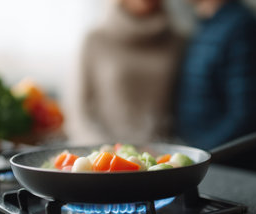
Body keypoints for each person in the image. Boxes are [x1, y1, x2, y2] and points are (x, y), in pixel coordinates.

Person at [175, 0, 256, 174]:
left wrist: (194, 157)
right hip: (208, 169)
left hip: (238, 176)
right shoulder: (205, 25)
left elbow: (247, 118)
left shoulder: (243, 28)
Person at [69, 0, 184, 144]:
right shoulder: (95, 40)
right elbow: (78, 114)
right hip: (104, 156)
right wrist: (108, 153)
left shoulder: (179, 42)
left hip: (162, 157)